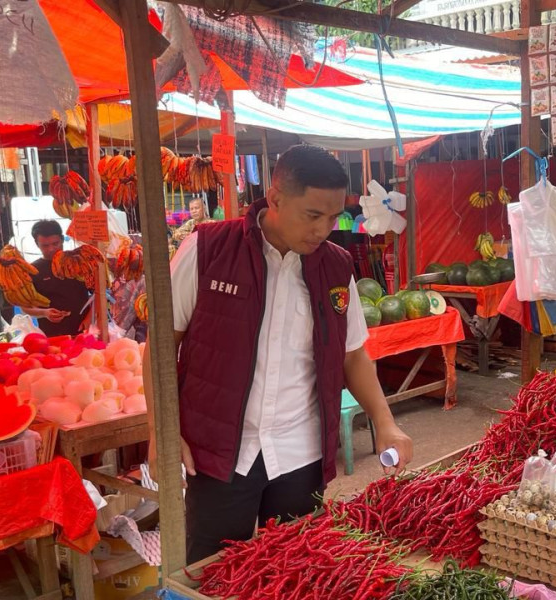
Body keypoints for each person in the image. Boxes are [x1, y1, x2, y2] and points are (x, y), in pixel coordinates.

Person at [148, 144, 414, 563]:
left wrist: (386, 422)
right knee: (213, 575)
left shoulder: (336, 267)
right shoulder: (207, 249)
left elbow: (353, 355)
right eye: (312, 215)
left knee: (295, 572)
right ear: (275, 198)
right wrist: (160, 430)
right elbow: (161, 347)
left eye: (332, 217)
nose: (323, 229)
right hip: (219, 455)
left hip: (301, 452)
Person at [21, 221, 91, 337]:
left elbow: (99, 294)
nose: (51, 249)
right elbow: (25, 307)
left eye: (55, 243)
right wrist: (44, 313)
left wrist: (89, 319)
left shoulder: (78, 263)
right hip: (52, 335)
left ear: (62, 240)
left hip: (85, 330)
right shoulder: (33, 270)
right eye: (45, 245)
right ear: (37, 244)